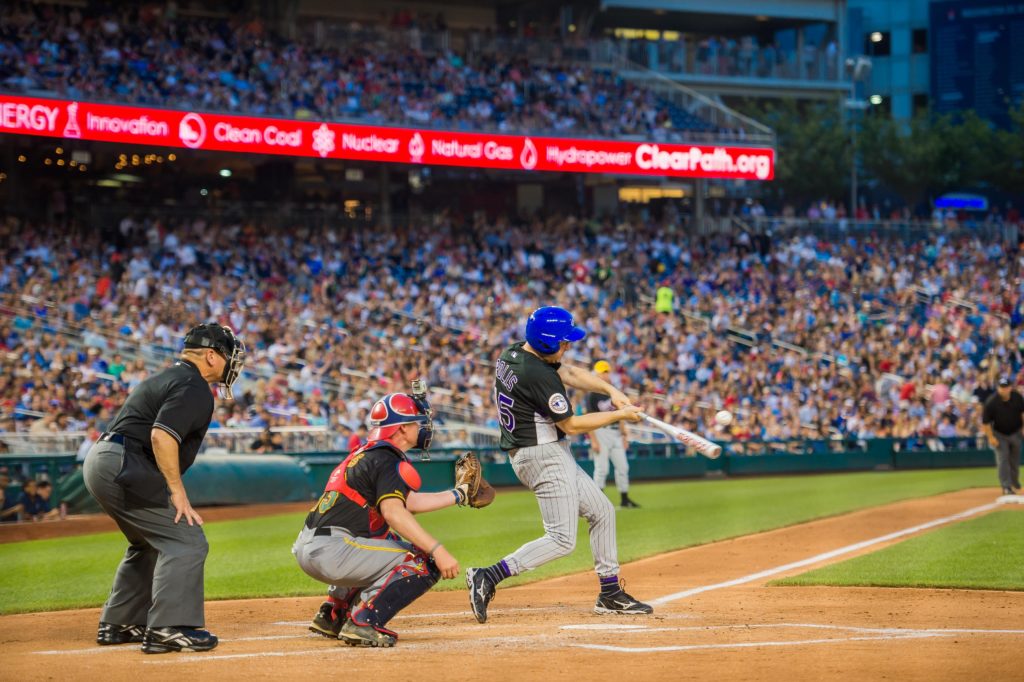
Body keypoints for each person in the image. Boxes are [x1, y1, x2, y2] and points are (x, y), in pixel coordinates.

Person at [467, 306, 651, 623]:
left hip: (544, 451)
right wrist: (621, 415)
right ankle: (488, 576)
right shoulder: (536, 374)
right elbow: (572, 425)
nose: (568, 346)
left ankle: (609, 593)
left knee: (602, 511)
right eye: (564, 342)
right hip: (542, 455)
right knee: (562, 540)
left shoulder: (516, 353)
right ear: (549, 343)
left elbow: (568, 373)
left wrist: (612, 390)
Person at [82, 323, 245, 654]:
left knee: (149, 543)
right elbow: (161, 434)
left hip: (104, 459)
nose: (234, 366)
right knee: (186, 539)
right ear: (212, 357)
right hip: (125, 462)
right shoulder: (194, 385)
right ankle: (169, 628)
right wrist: (176, 490)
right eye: (230, 358)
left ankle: (120, 622)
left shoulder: (172, 376)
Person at [294, 386, 464, 648]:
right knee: (423, 559)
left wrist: (459, 494)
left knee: (385, 537)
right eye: (418, 423)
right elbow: (394, 512)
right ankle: (364, 621)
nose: (424, 428)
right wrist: (438, 550)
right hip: (333, 551)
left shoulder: (369, 454)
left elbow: (409, 503)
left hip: (312, 546)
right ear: (402, 428)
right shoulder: (387, 459)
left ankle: (333, 613)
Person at [587, 361, 638, 508]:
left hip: (615, 432)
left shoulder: (613, 392)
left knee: (623, 467)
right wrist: (594, 440)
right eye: (602, 372)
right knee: (602, 468)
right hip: (601, 431)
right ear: (597, 374)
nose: (605, 374)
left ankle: (624, 499)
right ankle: (597, 502)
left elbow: (621, 414)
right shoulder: (592, 394)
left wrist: (624, 435)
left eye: (607, 371)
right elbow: (589, 417)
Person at [981, 376, 1024, 496]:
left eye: (1005, 387)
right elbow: (986, 422)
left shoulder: (1017, 397)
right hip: (999, 434)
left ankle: (1014, 481)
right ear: (998, 388)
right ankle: (1006, 486)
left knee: (1014, 460)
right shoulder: (991, 402)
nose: (1003, 390)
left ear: (1010, 388)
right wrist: (991, 437)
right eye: (1001, 387)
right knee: (1003, 459)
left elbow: (1022, 412)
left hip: (1016, 432)